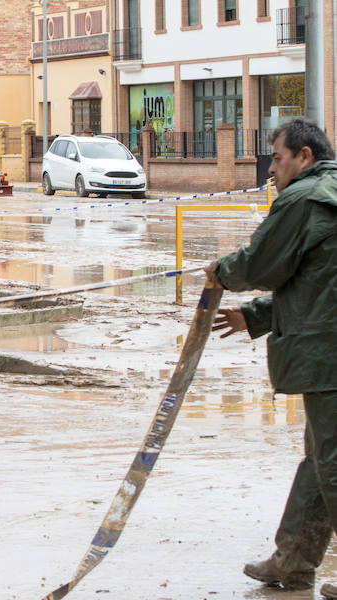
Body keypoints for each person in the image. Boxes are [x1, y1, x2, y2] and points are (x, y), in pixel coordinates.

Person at [204, 119, 337, 597]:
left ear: (303, 155)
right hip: (325, 342)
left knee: (333, 460)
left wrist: (221, 271)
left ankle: (294, 559)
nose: (272, 168)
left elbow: (262, 264)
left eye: (277, 158)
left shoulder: (305, 198)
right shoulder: (331, 192)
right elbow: (315, 280)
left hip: (329, 354)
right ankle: (293, 561)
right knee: (321, 460)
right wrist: (257, 317)